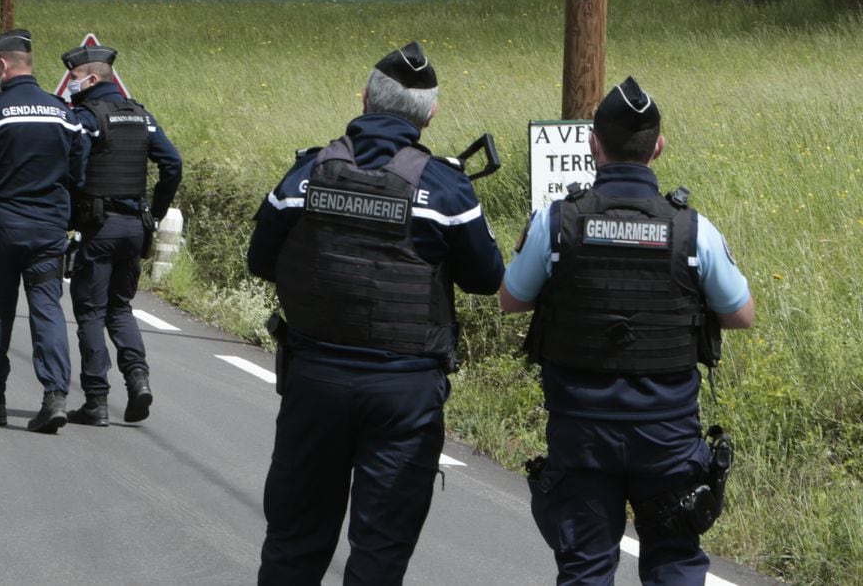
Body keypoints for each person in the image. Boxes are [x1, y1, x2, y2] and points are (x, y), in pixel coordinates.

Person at [247, 41, 505, 583]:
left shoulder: (305, 175)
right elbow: (486, 280)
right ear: (430, 115)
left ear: (364, 99)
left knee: (293, 544)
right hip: (403, 394)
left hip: (314, 382)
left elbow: (262, 260)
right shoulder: (446, 188)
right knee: (380, 554)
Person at [499, 77, 755, 585]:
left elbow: (511, 299)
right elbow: (741, 314)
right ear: (658, 147)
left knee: (586, 565)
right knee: (675, 561)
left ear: (594, 146)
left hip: (582, 428)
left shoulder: (557, 222)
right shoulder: (691, 229)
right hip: (666, 430)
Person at [0, 29, 85, 434]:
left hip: (1, 229)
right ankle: (55, 397)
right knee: (48, 309)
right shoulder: (64, 113)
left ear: (2, 64)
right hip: (48, 230)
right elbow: (78, 175)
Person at [59, 44, 182, 427]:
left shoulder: (88, 118)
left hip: (100, 227)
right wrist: (155, 212)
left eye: (75, 78)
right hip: (135, 227)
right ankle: (138, 379)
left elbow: (73, 171)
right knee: (121, 308)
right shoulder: (141, 116)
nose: (72, 85)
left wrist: (71, 210)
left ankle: (96, 401)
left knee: (91, 312)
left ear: (92, 79)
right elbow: (172, 163)